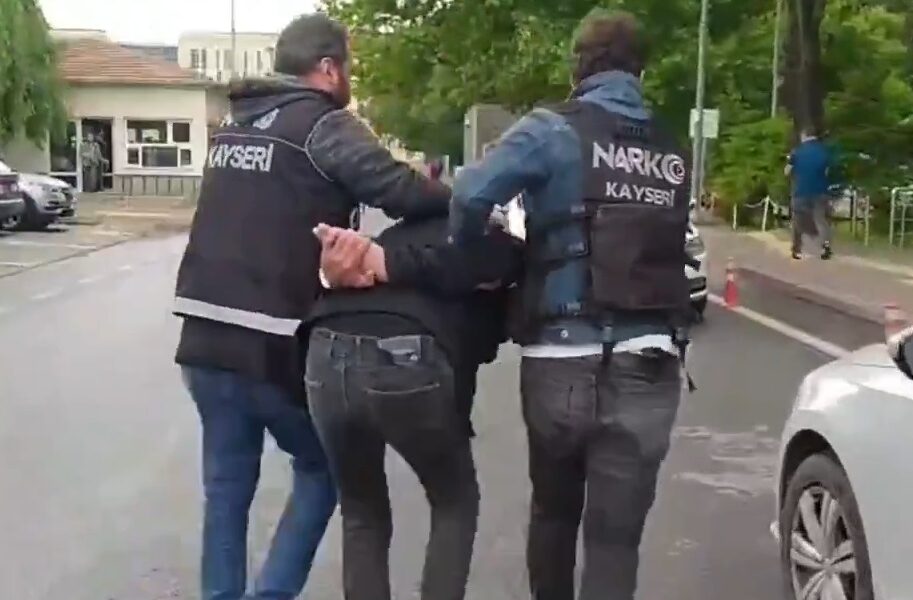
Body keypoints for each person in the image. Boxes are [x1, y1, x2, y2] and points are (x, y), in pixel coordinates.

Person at [172, 13, 450, 600]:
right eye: (347, 65)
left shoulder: (234, 126)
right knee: (324, 468)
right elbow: (398, 190)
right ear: (327, 68)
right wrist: (463, 203)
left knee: (225, 491)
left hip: (200, 337)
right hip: (269, 338)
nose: (348, 77)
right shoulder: (321, 122)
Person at [446, 10, 690, 600]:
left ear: (578, 68)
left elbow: (469, 195)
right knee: (616, 540)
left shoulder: (551, 130)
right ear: (639, 71)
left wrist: (489, 264)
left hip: (561, 354)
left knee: (554, 515)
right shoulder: (671, 145)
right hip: (651, 357)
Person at [304, 216, 522, 600]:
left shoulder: (395, 235)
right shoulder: (494, 245)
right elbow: (495, 334)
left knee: (360, 510)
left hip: (324, 348)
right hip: (406, 356)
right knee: (454, 500)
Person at [786, 128, 833, 260]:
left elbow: (787, 171)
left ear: (804, 136)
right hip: (820, 191)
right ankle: (825, 247)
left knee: (798, 220)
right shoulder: (823, 152)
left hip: (801, 191)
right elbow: (827, 172)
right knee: (821, 220)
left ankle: (797, 249)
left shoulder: (796, 152)